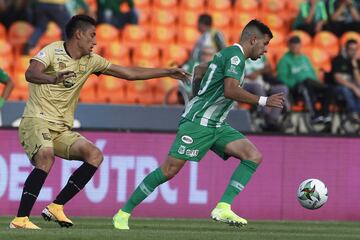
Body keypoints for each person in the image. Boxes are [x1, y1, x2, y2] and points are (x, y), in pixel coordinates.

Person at [9, 14, 190, 230]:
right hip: (35, 120)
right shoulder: (52, 50)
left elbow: (129, 73)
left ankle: (56, 206)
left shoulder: (92, 61)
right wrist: (53, 78)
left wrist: (167, 72)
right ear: (78, 34)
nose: (95, 41)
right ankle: (20, 219)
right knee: (46, 156)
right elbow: (31, 73)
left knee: (94, 155)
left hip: (60, 128)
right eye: (92, 35)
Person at [113, 19, 285, 230]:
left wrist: (197, 95)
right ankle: (123, 213)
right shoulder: (235, 57)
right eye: (265, 44)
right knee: (169, 170)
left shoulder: (227, 54)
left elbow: (200, 68)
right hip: (199, 123)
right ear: (253, 39)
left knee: (253, 156)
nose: (266, 50)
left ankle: (223, 206)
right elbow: (230, 90)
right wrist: (264, 100)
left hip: (216, 124)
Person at [277, 36, 332, 124]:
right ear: (289, 46)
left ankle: (325, 115)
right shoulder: (284, 60)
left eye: (297, 45)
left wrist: (315, 82)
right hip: (296, 87)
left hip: (310, 83)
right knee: (306, 85)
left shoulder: (305, 58)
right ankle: (314, 115)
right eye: (293, 46)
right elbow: (282, 78)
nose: (295, 48)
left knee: (328, 89)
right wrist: (293, 84)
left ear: (300, 46)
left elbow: (312, 74)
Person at [243, 55, 290, 131]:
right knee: (257, 87)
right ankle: (266, 116)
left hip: (262, 83)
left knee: (282, 88)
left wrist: (265, 69)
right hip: (246, 84)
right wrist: (261, 70)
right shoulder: (242, 57)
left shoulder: (261, 56)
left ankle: (273, 119)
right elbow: (251, 76)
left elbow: (269, 70)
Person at [330, 39, 360, 122]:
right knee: (346, 89)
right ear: (346, 49)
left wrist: (355, 66)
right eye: (351, 49)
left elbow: (359, 82)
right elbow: (337, 78)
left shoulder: (356, 62)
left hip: (353, 87)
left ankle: (357, 114)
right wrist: (353, 88)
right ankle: (353, 113)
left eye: (355, 49)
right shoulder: (338, 60)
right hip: (337, 87)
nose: (353, 52)